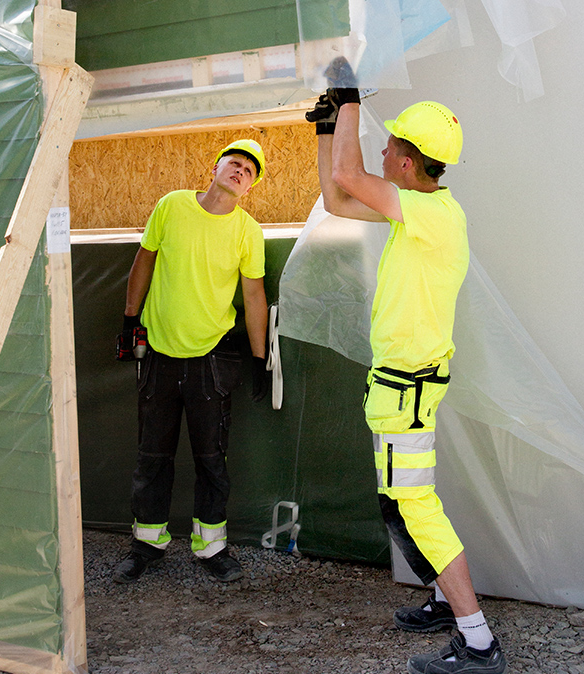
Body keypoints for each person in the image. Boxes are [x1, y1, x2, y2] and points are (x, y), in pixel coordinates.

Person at [308, 68, 507, 674]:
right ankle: (447, 603)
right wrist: (326, 128)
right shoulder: (418, 210)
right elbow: (338, 197)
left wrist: (347, 104)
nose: (384, 146)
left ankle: (478, 642)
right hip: (401, 388)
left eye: (391, 142)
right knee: (402, 502)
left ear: (406, 162)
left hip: (406, 391)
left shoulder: (432, 217)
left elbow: (348, 177)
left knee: (415, 506)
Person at [114, 138, 270, 584]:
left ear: (250, 186)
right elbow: (144, 262)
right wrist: (129, 320)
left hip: (211, 356)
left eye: (249, 171)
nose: (240, 171)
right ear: (216, 167)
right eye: (235, 162)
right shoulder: (172, 206)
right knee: (152, 456)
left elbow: (254, 295)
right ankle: (147, 544)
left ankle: (212, 548)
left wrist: (259, 358)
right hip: (159, 351)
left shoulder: (247, 230)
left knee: (211, 458)